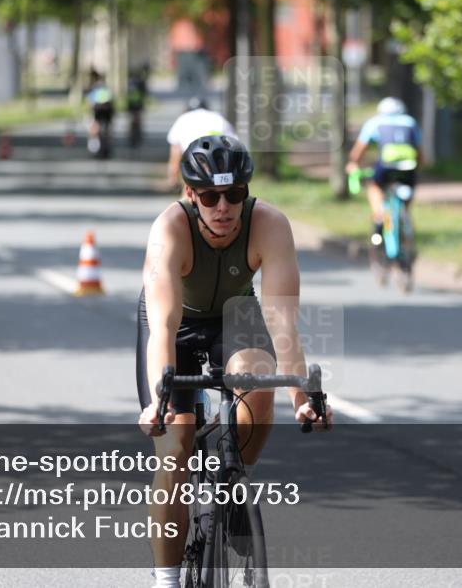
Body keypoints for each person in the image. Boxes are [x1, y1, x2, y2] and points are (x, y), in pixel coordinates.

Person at [136, 134, 332, 588]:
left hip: (235, 317)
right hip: (177, 325)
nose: (223, 207)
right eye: (209, 196)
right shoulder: (169, 229)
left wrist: (302, 396)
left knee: (258, 391)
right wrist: (160, 404)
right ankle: (165, 579)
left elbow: (282, 323)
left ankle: (232, 484)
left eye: (234, 194)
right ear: (191, 195)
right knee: (175, 446)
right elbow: (162, 327)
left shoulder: (269, 225)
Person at [345, 97, 421, 246]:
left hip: (386, 166)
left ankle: (379, 216)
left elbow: (359, 149)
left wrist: (353, 164)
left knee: (374, 185)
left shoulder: (375, 122)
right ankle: (404, 219)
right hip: (409, 166)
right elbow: (419, 151)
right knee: (407, 193)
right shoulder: (410, 122)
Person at [164, 97, 236, 191]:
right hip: (220, 159)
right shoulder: (218, 117)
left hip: (194, 158)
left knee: (189, 192)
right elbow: (234, 144)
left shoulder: (183, 119)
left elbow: (175, 154)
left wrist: (173, 178)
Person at [86, 71, 115, 155]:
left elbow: (90, 102)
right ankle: (107, 145)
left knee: (94, 128)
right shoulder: (107, 89)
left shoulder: (94, 88)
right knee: (108, 129)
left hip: (98, 110)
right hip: (106, 111)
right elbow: (112, 102)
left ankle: (94, 145)